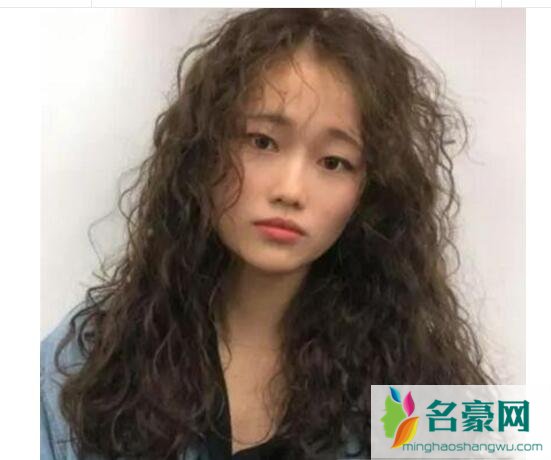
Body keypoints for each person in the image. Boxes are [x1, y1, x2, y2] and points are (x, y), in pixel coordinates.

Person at [40, 8, 495, 460]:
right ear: (204, 150)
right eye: (262, 142)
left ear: (370, 191)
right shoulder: (89, 359)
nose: (290, 190)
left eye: (334, 162)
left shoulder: (416, 385)